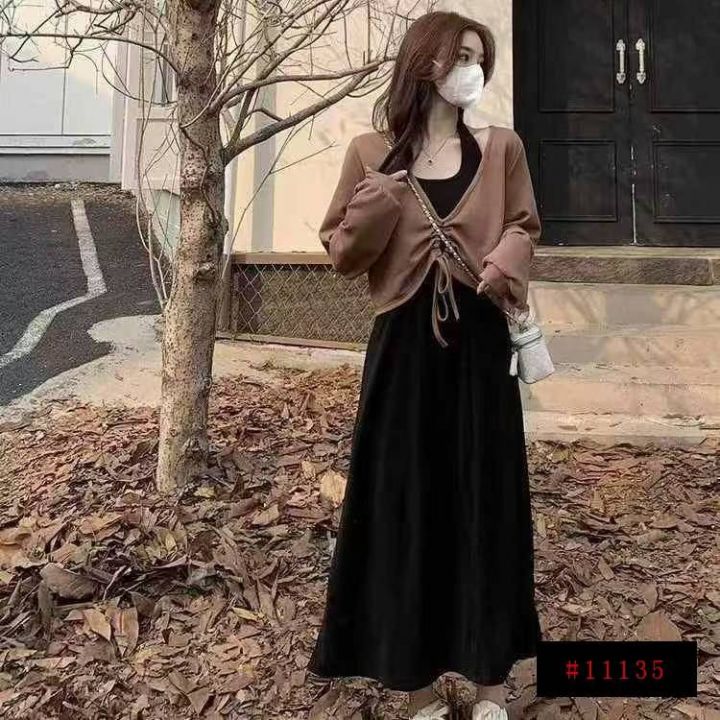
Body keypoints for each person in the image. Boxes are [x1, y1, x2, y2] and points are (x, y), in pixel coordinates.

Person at [308, 10, 543, 720]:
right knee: (405, 507)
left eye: (479, 58)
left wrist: (501, 263)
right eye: (460, 55)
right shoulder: (370, 151)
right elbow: (342, 252)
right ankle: (417, 692)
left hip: (480, 347)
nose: (472, 69)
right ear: (425, 62)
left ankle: (491, 686)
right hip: (403, 352)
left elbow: (525, 225)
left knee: (485, 502)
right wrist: (382, 195)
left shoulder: (501, 148)